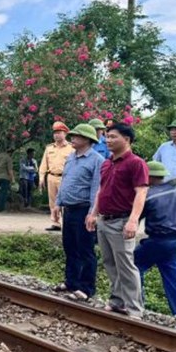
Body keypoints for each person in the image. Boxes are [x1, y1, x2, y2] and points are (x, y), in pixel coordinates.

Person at [86, 123, 149, 317]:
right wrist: (93, 213)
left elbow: (141, 192)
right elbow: (100, 190)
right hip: (104, 220)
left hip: (121, 220)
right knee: (109, 262)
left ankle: (134, 308)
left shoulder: (136, 163)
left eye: (113, 137)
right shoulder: (107, 163)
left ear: (127, 139)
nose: (108, 140)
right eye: (107, 137)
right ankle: (117, 300)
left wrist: (133, 221)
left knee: (126, 264)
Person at [51, 124, 104, 302]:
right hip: (69, 209)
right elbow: (65, 180)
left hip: (84, 209)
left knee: (85, 250)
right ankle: (71, 281)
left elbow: (97, 188)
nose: (72, 138)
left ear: (88, 140)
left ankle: (87, 287)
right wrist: (58, 203)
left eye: (77, 136)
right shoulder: (71, 158)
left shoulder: (97, 160)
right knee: (70, 246)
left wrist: (92, 213)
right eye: (72, 136)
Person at [135, 161, 176, 317]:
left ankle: (137, 303)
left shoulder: (149, 195)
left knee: (133, 265)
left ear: (149, 177)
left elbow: (136, 216)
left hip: (158, 239)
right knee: (175, 278)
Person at [39, 121, 74, 231]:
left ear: (65, 134)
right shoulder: (49, 148)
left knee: (66, 201)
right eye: (55, 133)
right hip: (51, 177)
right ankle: (55, 223)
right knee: (53, 201)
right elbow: (44, 164)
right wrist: (41, 177)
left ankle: (67, 224)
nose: (57, 135)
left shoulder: (71, 148)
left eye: (59, 132)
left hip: (65, 178)